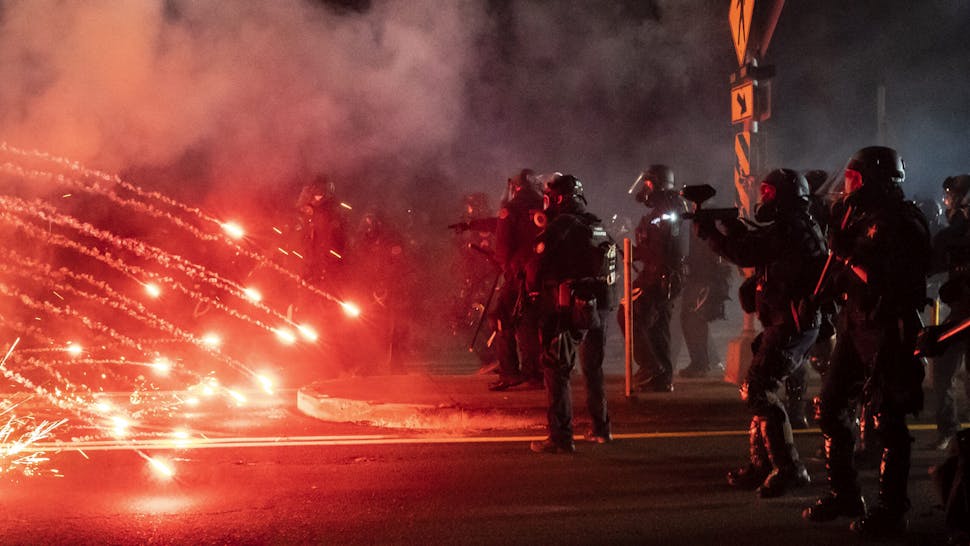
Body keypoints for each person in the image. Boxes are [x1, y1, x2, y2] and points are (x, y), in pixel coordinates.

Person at [802, 146, 930, 538]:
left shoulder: (904, 222)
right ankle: (845, 494)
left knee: (887, 422)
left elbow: (890, 280)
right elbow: (846, 272)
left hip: (887, 329)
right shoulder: (859, 217)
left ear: (875, 179)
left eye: (856, 179)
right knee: (831, 408)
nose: (849, 186)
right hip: (855, 325)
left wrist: (849, 255)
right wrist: (821, 295)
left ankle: (892, 510)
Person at [694, 169, 824, 498]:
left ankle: (789, 467)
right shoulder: (794, 226)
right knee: (758, 390)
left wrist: (712, 233)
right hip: (785, 322)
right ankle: (763, 464)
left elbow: (747, 252)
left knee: (758, 390)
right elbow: (758, 246)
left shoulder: (793, 228)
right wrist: (730, 227)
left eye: (769, 192)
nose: (764, 198)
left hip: (792, 324)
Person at [527, 173, 617, 454]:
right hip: (600, 309)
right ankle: (601, 429)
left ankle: (561, 436)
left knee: (556, 369)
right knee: (593, 370)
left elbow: (536, 263)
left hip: (569, 309)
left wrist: (533, 294)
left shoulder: (562, 225)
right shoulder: (597, 224)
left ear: (558, 199)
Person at [625, 164, 688, 392]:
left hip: (659, 275)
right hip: (666, 274)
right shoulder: (670, 206)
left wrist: (635, 250)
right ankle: (661, 378)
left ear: (658, 184)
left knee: (629, 313)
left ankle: (651, 366)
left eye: (649, 183)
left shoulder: (666, 209)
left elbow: (660, 249)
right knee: (658, 326)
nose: (645, 188)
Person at [485, 169, 545, 391]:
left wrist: (504, 266)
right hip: (542, 275)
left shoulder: (510, 209)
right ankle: (535, 374)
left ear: (515, 187)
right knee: (530, 323)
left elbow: (503, 245)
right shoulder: (545, 205)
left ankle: (510, 372)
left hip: (518, 274)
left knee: (501, 318)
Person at [926, 174, 970, 451]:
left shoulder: (960, 232)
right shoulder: (953, 233)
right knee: (941, 372)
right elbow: (935, 263)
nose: (948, 202)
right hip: (959, 314)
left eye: (953, 196)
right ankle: (949, 430)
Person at [678, 228, 732, 378]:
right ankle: (703, 361)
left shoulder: (706, 223)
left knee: (692, 318)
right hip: (700, 274)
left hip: (703, 276)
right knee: (693, 319)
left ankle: (700, 363)